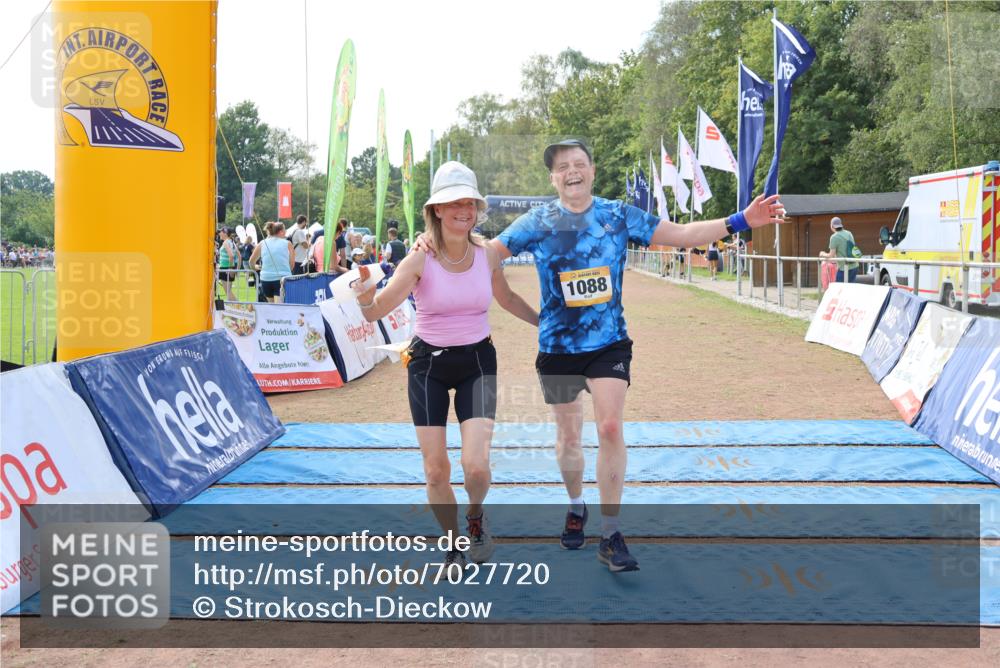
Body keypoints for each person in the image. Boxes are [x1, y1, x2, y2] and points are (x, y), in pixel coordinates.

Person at [417, 139, 785, 572]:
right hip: (556, 349)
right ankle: (577, 505)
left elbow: (682, 235)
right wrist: (434, 242)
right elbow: (485, 254)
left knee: (610, 427)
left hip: (609, 343)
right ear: (553, 179)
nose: (571, 172)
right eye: (562, 167)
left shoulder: (618, 215)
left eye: (579, 164)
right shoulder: (537, 221)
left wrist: (743, 219)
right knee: (570, 440)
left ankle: (611, 533)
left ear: (592, 170)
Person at [354, 161, 538, 569]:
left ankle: (475, 517)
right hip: (427, 366)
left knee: (476, 467)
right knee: (436, 471)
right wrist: (364, 294)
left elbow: (505, 298)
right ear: (436, 209)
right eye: (453, 203)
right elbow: (375, 311)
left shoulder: (487, 254)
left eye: (469, 203)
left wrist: (546, 323)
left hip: (477, 361)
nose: (463, 210)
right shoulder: (420, 259)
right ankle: (453, 543)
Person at [249, 221, 294, 303]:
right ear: (281, 232)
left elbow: (251, 261)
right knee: (279, 307)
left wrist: (255, 268)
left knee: (271, 305)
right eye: (285, 230)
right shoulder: (288, 243)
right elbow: (291, 265)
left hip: (266, 279)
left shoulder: (262, 243)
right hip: (282, 279)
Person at [818, 216, 859, 283]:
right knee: (849, 289)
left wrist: (822, 254)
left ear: (832, 226)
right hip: (854, 266)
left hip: (844, 268)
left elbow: (831, 255)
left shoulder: (834, 237)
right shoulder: (849, 233)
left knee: (839, 288)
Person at [217, 228, 238, 301]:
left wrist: (230, 268)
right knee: (229, 292)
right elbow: (239, 256)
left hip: (225, 268)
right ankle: (237, 308)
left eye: (221, 232)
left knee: (228, 292)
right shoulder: (231, 242)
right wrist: (235, 268)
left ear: (225, 233)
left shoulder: (226, 242)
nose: (219, 234)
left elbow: (231, 255)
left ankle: (241, 308)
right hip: (229, 268)